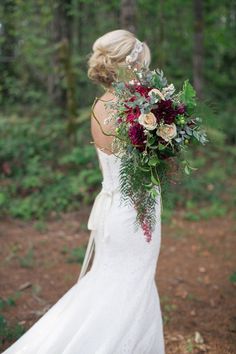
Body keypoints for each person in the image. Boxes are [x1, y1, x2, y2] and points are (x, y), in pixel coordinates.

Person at [3, 29, 165, 354]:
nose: (142, 71)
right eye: (139, 64)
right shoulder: (135, 111)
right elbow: (143, 166)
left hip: (111, 210)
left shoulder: (99, 106)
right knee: (132, 287)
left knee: (112, 285)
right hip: (136, 210)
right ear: (127, 63)